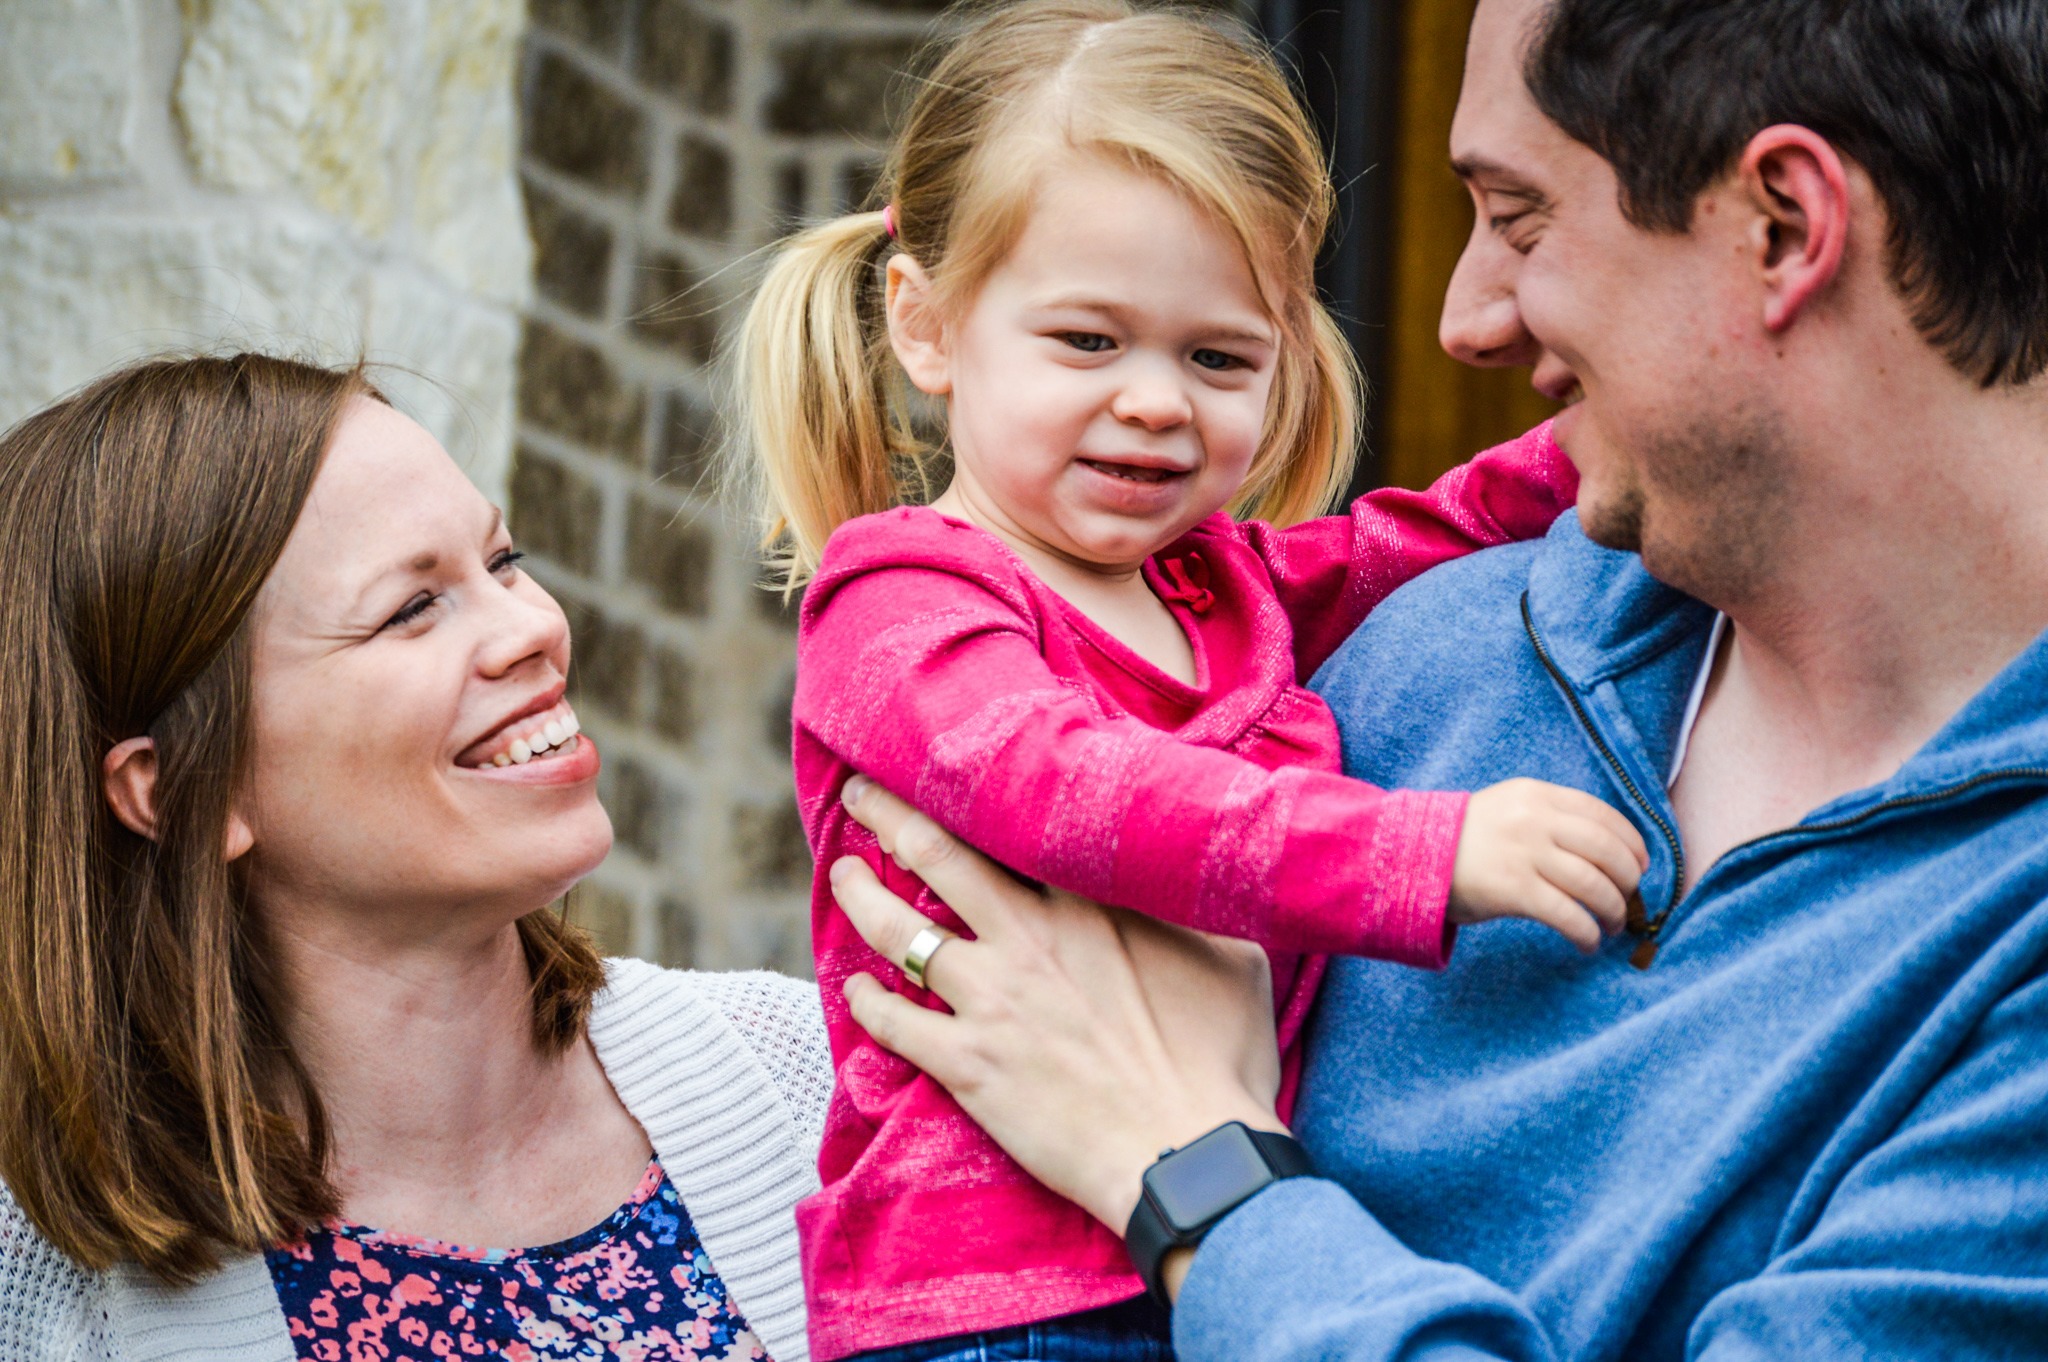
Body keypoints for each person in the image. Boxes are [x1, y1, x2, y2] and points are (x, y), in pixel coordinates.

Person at [818, 0, 2048, 1357]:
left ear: (1781, 225)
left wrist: (1194, 1174)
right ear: (926, 327)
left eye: (1520, 220)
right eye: (1087, 341)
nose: (1461, 317)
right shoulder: (1413, 667)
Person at [732, 2, 1648, 1357]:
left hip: (1203, 1254)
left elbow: (1428, 535)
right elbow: (1090, 797)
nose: (1157, 400)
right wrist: (1421, 852)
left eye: (1217, 357)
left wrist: (1620, 428)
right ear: (926, 327)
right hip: (987, 1299)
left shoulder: (1225, 585)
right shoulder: (903, 599)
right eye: (1088, 342)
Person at [0, 355, 831, 1362]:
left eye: (504, 559)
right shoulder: (43, 1295)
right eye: (411, 608)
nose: (535, 628)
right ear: (183, 790)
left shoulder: (811, 1085)